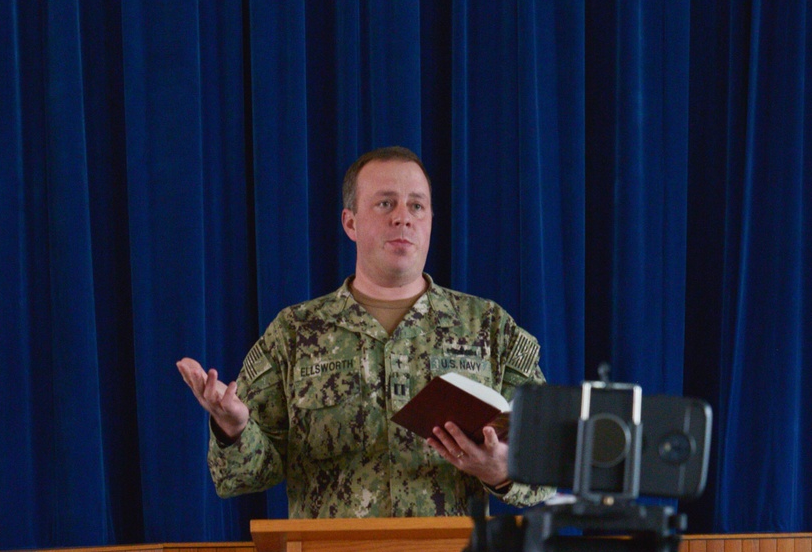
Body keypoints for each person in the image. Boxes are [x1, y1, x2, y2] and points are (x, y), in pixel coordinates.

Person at [177, 146, 545, 517]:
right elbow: (239, 479)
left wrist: (502, 471)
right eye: (385, 204)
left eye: (417, 206)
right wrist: (234, 430)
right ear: (350, 223)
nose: (403, 218)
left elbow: (549, 464)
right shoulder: (294, 333)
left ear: (431, 219)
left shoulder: (489, 327)